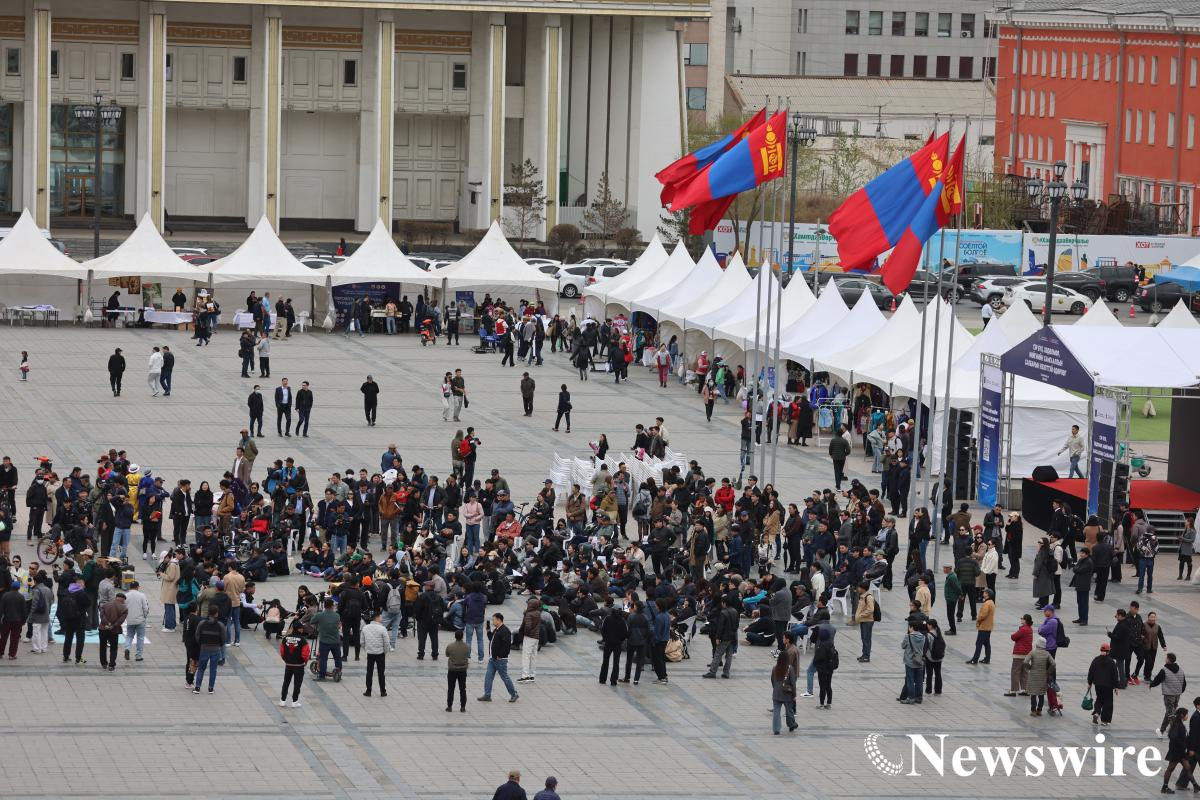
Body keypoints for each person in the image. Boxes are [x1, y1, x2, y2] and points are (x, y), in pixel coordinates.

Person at [479, 612, 519, 703]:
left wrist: (500, 656)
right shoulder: (497, 629)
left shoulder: (505, 631)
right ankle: (487, 695)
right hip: (492, 659)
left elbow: (506, 645)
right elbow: (492, 639)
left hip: (500, 660)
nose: (492, 621)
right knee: (488, 677)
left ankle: (514, 694)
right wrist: (488, 631)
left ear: (499, 620)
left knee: (505, 678)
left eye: (494, 620)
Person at [1152, 653, 1188, 738]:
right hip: (1177, 695)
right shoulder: (1180, 670)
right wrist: (1180, 691)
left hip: (1169, 695)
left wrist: (1151, 684)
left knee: (1170, 714)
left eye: (1166, 658)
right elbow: (1184, 682)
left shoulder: (1164, 670)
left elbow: (1158, 679)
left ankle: (1176, 731)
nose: (1165, 659)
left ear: (1168, 659)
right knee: (1170, 712)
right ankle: (1161, 731)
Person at [702, 594, 737, 679]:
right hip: (732, 636)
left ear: (724, 603)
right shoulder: (735, 611)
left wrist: (718, 637)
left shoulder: (723, 612)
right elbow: (736, 625)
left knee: (718, 654)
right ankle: (726, 672)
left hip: (724, 637)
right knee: (729, 655)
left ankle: (712, 672)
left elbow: (721, 626)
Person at [193, 606, 225, 694]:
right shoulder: (220, 625)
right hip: (215, 649)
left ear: (208, 612)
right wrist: (219, 645)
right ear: (216, 613)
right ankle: (211, 688)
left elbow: (197, 635)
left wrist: (201, 643)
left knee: (201, 668)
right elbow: (223, 638)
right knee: (213, 669)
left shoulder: (202, 623)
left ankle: (197, 688)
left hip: (204, 648)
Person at [1087, 642, 1120, 725]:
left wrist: (1089, 683)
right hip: (1108, 685)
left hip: (1098, 684)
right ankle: (1104, 720)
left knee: (1099, 699)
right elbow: (1115, 675)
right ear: (1108, 651)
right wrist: (1116, 686)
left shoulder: (1096, 660)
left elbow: (1091, 672)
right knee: (1108, 702)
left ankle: (1097, 712)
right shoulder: (1111, 661)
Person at [278, 621, 310, 708]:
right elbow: (305, 654)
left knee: (286, 682)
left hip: (288, 665)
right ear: (299, 629)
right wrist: (305, 662)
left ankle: (282, 700)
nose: (302, 629)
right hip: (299, 666)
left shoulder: (285, 638)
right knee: (297, 684)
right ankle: (294, 701)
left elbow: (282, 651)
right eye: (302, 628)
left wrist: (286, 660)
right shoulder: (303, 640)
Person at [1023, 636, 1056, 716]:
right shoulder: (1047, 653)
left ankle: (1033, 711)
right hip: (1043, 676)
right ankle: (1039, 710)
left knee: (1033, 694)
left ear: (1037, 644)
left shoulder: (1032, 652)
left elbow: (1025, 662)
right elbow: (1053, 664)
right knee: (1041, 694)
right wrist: (1048, 671)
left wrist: (1029, 667)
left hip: (1033, 676)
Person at [770, 648, 799, 734]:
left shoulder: (775, 668)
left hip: (776, 693)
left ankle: (776, 729)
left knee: (776, 711)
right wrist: (794, 695)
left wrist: (775, 688)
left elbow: (772, 680)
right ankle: (791, 725)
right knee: (789, 710)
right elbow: (793, 683)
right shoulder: (790, 669)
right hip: (787, 693)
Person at [313, 597, 343, 680]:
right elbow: (338, 625)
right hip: (336, 640)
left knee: (323, 659)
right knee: (337, 658)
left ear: (324, 606)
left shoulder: (320, 615)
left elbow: (312, 621)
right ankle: (338, 673)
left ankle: (322, 676)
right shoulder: (337, 615)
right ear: (332, 606)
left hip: (324, 641)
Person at [361, 610, 388, 697]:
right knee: (381, 673)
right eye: (380, 616)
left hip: (370, 653)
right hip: (380, 653)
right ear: (377, 618)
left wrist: (367, 649)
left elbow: (362, 642)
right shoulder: (382, 628)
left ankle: (368, 691)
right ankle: (383, 691)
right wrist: (385, 651)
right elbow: (386, 642)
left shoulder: (365, 628)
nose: (381, 618)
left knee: (369, 672)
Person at [1006, 614, 1034, 696]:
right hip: (1027, 654)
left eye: (1022, 618)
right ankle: (1024, 689)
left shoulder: (1023, 629)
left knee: (1015, 671)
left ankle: (1014, 690)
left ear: (1025, 620)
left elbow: (1013, 637)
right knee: (1024, 672)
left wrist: (1017, 632)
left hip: (1019, 653)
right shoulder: (1030, 629)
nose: (1021, 619)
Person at [123, 580, 150, 662]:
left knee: (129, 636)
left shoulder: (126, 595)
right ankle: (138, 656)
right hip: (140, 620)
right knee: (140, 637)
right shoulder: (142, 595)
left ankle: (127, 648)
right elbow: (145, 608)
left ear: (130, 587)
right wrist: (145, 617)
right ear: (138, 587)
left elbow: (123, 608)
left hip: (130, 620)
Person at [966, 588, 995, 664]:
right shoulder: (991, 602)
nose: (983, 593)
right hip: (988, 627)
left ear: (987, 594)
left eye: (984, 592)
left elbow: (983, 615)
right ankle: (987, 659)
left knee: (978, 643)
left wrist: (978, 620)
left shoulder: (987, 604)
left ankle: (975, 659)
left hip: (984, 627)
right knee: (986, 644)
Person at [813, 625, 838, 709]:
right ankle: (829, 703)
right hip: (830, 668)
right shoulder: (831, 644)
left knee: (822, 686)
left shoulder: (822, 645)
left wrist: (815, 662)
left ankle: (821, 704)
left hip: (822, 668)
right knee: (828, 685)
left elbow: (821, 657)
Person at [446, 629, 469, 712]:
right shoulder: (466, 646)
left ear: (455, 636)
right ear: (462, 636)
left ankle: (449, 706)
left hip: (452, 670)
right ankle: (463, 707)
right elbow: (467, 654)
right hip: (462, 670)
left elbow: (447, 654)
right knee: (462, 689)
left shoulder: (450, 646)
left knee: (451, 688)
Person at [1070, 546, 1094, 625]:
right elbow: (1075, 568)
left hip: (1084, 585)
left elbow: (1079, 570)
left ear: (1087, 554)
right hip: (1079, 584)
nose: (1081, 554)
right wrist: (1076, 568)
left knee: (1084, 603)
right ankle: (1080, 618)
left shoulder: (1089, 562)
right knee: (1079, 602)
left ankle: (1085, 620)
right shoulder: (1081, 560)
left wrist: (1076, 568)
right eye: (1081, 553)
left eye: (1083, 553)